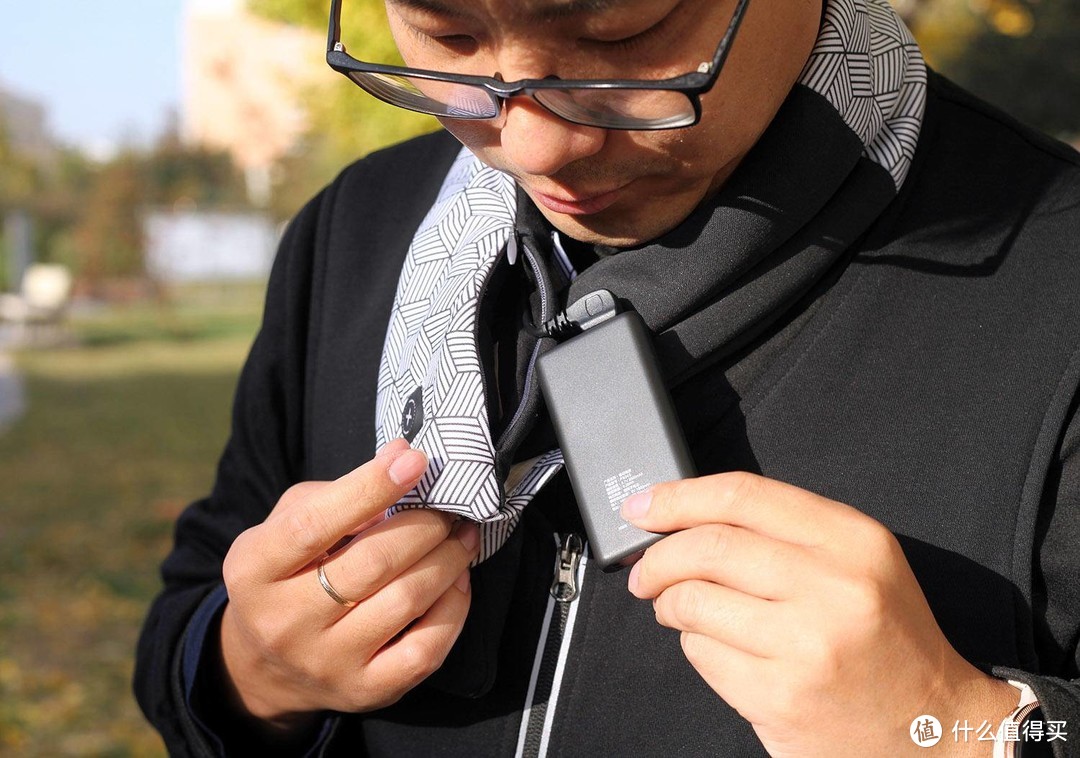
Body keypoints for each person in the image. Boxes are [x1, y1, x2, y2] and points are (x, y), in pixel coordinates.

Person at [135, 0, 1080, 754]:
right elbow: (192, 616)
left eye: (616, 36)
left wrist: (964, 733)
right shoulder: (356, 230)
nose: (535, 147)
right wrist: (255, 676)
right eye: (448, 33)